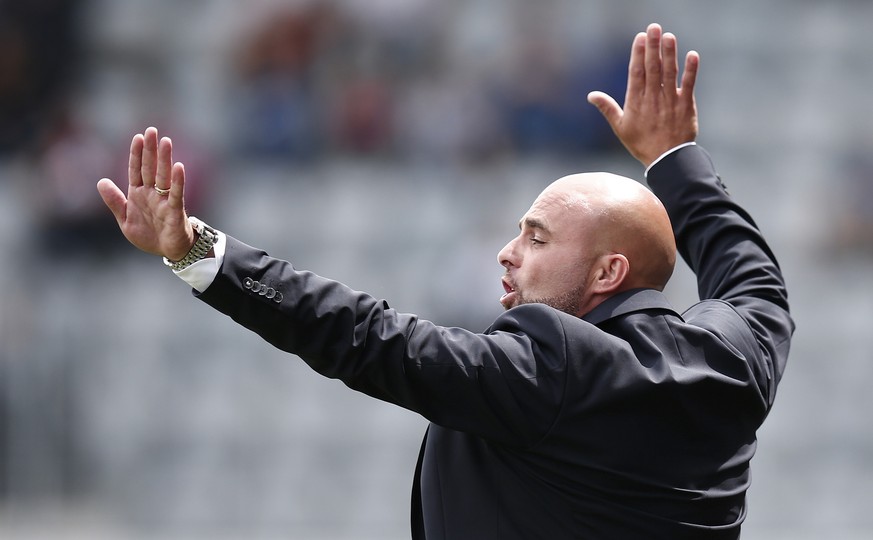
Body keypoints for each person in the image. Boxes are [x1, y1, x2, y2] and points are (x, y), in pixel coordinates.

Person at [96, 23, 793, 540]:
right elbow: (754, 282)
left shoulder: (552, 369)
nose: (505, 253)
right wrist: (674, 158)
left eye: (536, 236)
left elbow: (363, 335)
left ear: (610, 271)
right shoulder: (734, 359)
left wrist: (196, 253)